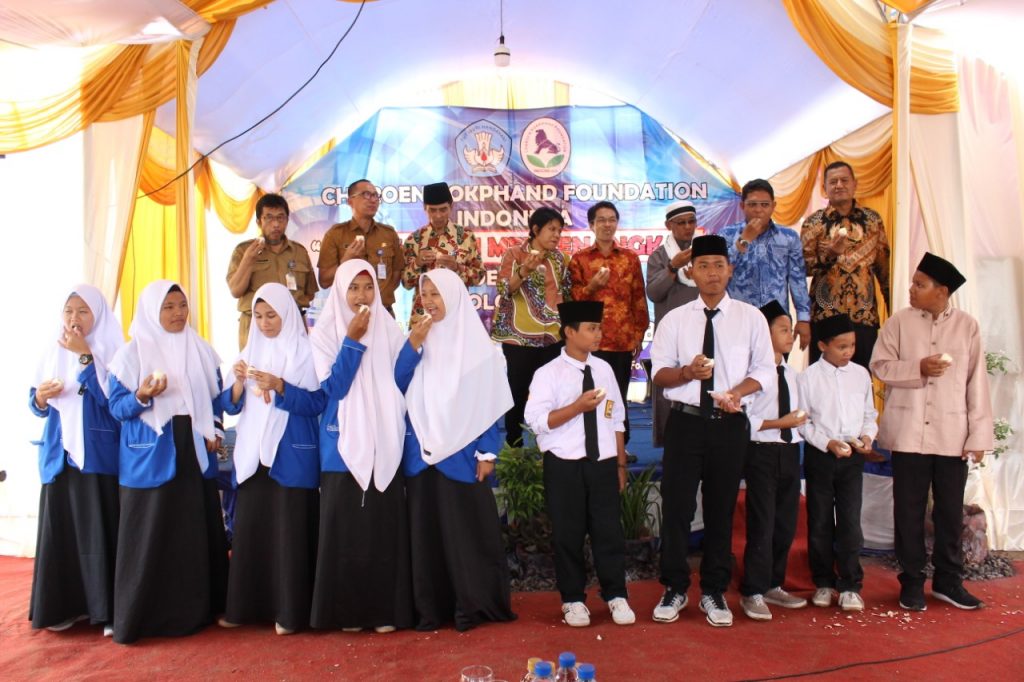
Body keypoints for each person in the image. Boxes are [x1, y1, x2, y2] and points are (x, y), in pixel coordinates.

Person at [648, 234, 775, 628]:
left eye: (719, 265)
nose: (712, 273)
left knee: (721, 509)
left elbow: (764, 370)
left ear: (730, 270)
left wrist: (737, 393)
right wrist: (687, 372)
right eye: (703, 266)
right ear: (691, 272)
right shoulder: (675, 319)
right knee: (677, 508)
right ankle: (674, 587)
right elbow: (659, 374)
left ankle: (714, 591)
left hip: (729, 424)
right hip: (685, 423)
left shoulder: (750, 318)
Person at [107, 281, 232, 644]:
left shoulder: (201, 349)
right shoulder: (130, 355)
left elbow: (216, 399)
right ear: (151, 311)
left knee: (190, 531)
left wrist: (216, 429)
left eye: (182, 306)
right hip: (151, 450)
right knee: (151, 531)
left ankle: (195, 612)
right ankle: (143, 615)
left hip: (192, 448)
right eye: (168, 307)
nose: (178, 313)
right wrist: (142, 395)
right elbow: (117, 408)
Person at [870, 253, 993, 611]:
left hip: (952, 434)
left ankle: (948, 582)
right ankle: (911, 582)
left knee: (949, 512)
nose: (911, 289)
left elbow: (977, 384)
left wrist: (978, 437)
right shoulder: (899, 323)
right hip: (908, 433)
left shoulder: (967, 327)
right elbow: (880, 366)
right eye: (913, 282)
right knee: (907, 511)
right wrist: (918, 367)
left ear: (942, 291)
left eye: (919, 284)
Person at [308, 259, 420, 633]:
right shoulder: (324, 335)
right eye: (353, 288)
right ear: (340, 290)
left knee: (381, 530)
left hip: (384, 440)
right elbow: (334, 388)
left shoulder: (387, 327)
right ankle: (349, 615)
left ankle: (385, 612)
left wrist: (413, 346)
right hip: (341, 446)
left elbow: (400, 380)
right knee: (346, 534)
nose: (361, 296)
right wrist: (353, 341)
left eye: (368, 287)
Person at [401, 269, 516, 632]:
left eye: (436, 293)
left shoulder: (479, 348)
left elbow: (489, 403)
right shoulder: (418, 339)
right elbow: (396, 384)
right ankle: (430, 610)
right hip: (421, 455)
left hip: (462, 456)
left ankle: (470, 605)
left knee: (465, 535)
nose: (430, 301)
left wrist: (487, 452)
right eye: (425, 294)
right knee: (426, 536)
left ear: (453, 296)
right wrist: (412, 346)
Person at [218, 283, 322, 635]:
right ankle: (245, 609)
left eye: (272, 315)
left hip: (289, 454)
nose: (264, 323)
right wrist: (237, 383)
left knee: (288, 534)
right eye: (258, 316)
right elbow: (230, 405)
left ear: (287, 314)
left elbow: (316, 403)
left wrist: (280, 386)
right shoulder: (250, 351)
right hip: (253, 456)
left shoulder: (305, 353)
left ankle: (288, 613)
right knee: (252, 533)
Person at [524, 300, 636, 628]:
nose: (598, 334)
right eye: (591, 328)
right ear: (569, 332)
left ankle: (616, 594)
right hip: (564, 465)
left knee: (609, 532)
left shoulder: (604, 369)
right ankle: (572, 599)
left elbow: (616, 416)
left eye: (599, 327)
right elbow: (537, 421)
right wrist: (576, 407)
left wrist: (620, 464)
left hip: (602, 462)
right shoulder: (547, 374)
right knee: (567, 534)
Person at [29, 284, 124, 636]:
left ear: (97, 315)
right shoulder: (52, 349)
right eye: (69, 311)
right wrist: (40, 398)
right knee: (62, 531)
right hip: (60, 453)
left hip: (98, 453)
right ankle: (64, 608)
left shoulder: (113, 350)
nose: (75, 318)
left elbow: (112, 402)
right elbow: (36, 403)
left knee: (101, 529)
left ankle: (107, 611)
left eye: (83, 311)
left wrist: (86, 357)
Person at [797, 313, 878, 612]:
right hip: (821, 455)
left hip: (853, 456)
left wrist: (867, 436)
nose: (848, 352)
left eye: (852, 346)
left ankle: (850, 584)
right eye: (841, 346)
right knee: (819, 521)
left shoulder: (860, 375)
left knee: (850, 521)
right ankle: (823, 582)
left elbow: (869, 414)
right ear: (822, 346)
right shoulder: (807, 378)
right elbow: (802, 422)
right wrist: (827, 443)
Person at [738, 301, 809, 622]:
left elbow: (800, 417)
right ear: (764, 335)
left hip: (790, 451)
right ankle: (752, 589)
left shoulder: (793, 375)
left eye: (790, 329)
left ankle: (773, 583)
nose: (790, 335)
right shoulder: (753, 377)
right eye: (783, 329)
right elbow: (745, 421)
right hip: (762, 452)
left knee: (785, 522)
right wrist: (781, 423)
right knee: (762, 522)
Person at [569, 201, 649, 444]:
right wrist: (591, 287)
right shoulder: (580, 259)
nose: (607, 224)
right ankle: (592, 445)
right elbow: (573, 301)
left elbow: (638, 298)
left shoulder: (629, 258)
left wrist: (639, 333)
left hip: (622, 340)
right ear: (591, 225)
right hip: (590, 343)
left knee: (618, 395)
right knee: (590, 395)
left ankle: (620, 448)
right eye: (601, 220)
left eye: (612, 219)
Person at [491, 207, 571, 447]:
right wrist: (524, 270)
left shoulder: (561, 259)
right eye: (551, 229)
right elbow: (504, 289)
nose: (556, 235)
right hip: (520, 337)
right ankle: (514, 445)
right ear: (536, 229)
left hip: (553, 337)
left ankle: (548, 445)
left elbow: (567, 294)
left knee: (551, 393)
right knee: (517, 391)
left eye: (559, 230)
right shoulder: (514, 254)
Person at [800, 161, 890, 368]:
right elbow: (802, 268)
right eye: (833, 182)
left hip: (863, 314)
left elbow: (884, 268)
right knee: (823, 380)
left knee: (862, 378)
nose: (839, 185)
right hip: (826, 316)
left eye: (844, 180)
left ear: (854, 184)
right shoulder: (813, 223)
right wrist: (830, 255)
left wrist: (893, 308)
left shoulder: (873, 220)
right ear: (825, 188)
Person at [718, 179, 812, 350]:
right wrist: (744, 240)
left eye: (764, 204)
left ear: (773, 206)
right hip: (738, 319)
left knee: (776, 366)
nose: (758, 210)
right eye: (752, 204)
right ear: (742, 206)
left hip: (777, 321)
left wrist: (803, 318)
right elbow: (720, 272)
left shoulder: (788, 237)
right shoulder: (727, 235)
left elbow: (797, 279)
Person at [226, 193, 318, 349]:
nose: (275, 224)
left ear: (287, 220)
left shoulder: (299, 252)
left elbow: (309, 293)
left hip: (292, 327)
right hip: (257, 327)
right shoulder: (243, 251)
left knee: (295, 365)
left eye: (280, 218)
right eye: (268, 218)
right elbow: (235, 291)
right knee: (256, 365)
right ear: (258, 222)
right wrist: (248, 260)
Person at [646, 200, 700, 446]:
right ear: (669, 225)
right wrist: (673, 267)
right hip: (671, 334)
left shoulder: (704, 252)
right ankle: (670, 445)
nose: (687, 227)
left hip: (702, 330)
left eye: (691, 221)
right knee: (669, 387)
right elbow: (654, 293)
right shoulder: (659, 256)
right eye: (681, 223)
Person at [400, 182, 485, 321]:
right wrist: (417, 263)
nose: (438, 215)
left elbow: (479, 277)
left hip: (455, 313)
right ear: (425, 208)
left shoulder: (465, 236)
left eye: (443, 209)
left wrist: (457, 267)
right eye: (432, 210)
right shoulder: (414, 240)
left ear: (451, 207)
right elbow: (406, 284)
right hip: (424, 316)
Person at [316, 179, 404, 314]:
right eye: (366, 195)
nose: (373, 200)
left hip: (383, 312)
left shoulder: (388, 233)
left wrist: (380, 296)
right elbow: (324, 281)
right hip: (349, 314)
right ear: (350, 201)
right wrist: (345, 261)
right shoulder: (335, 234)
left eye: (375, 195)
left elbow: (397, 273)